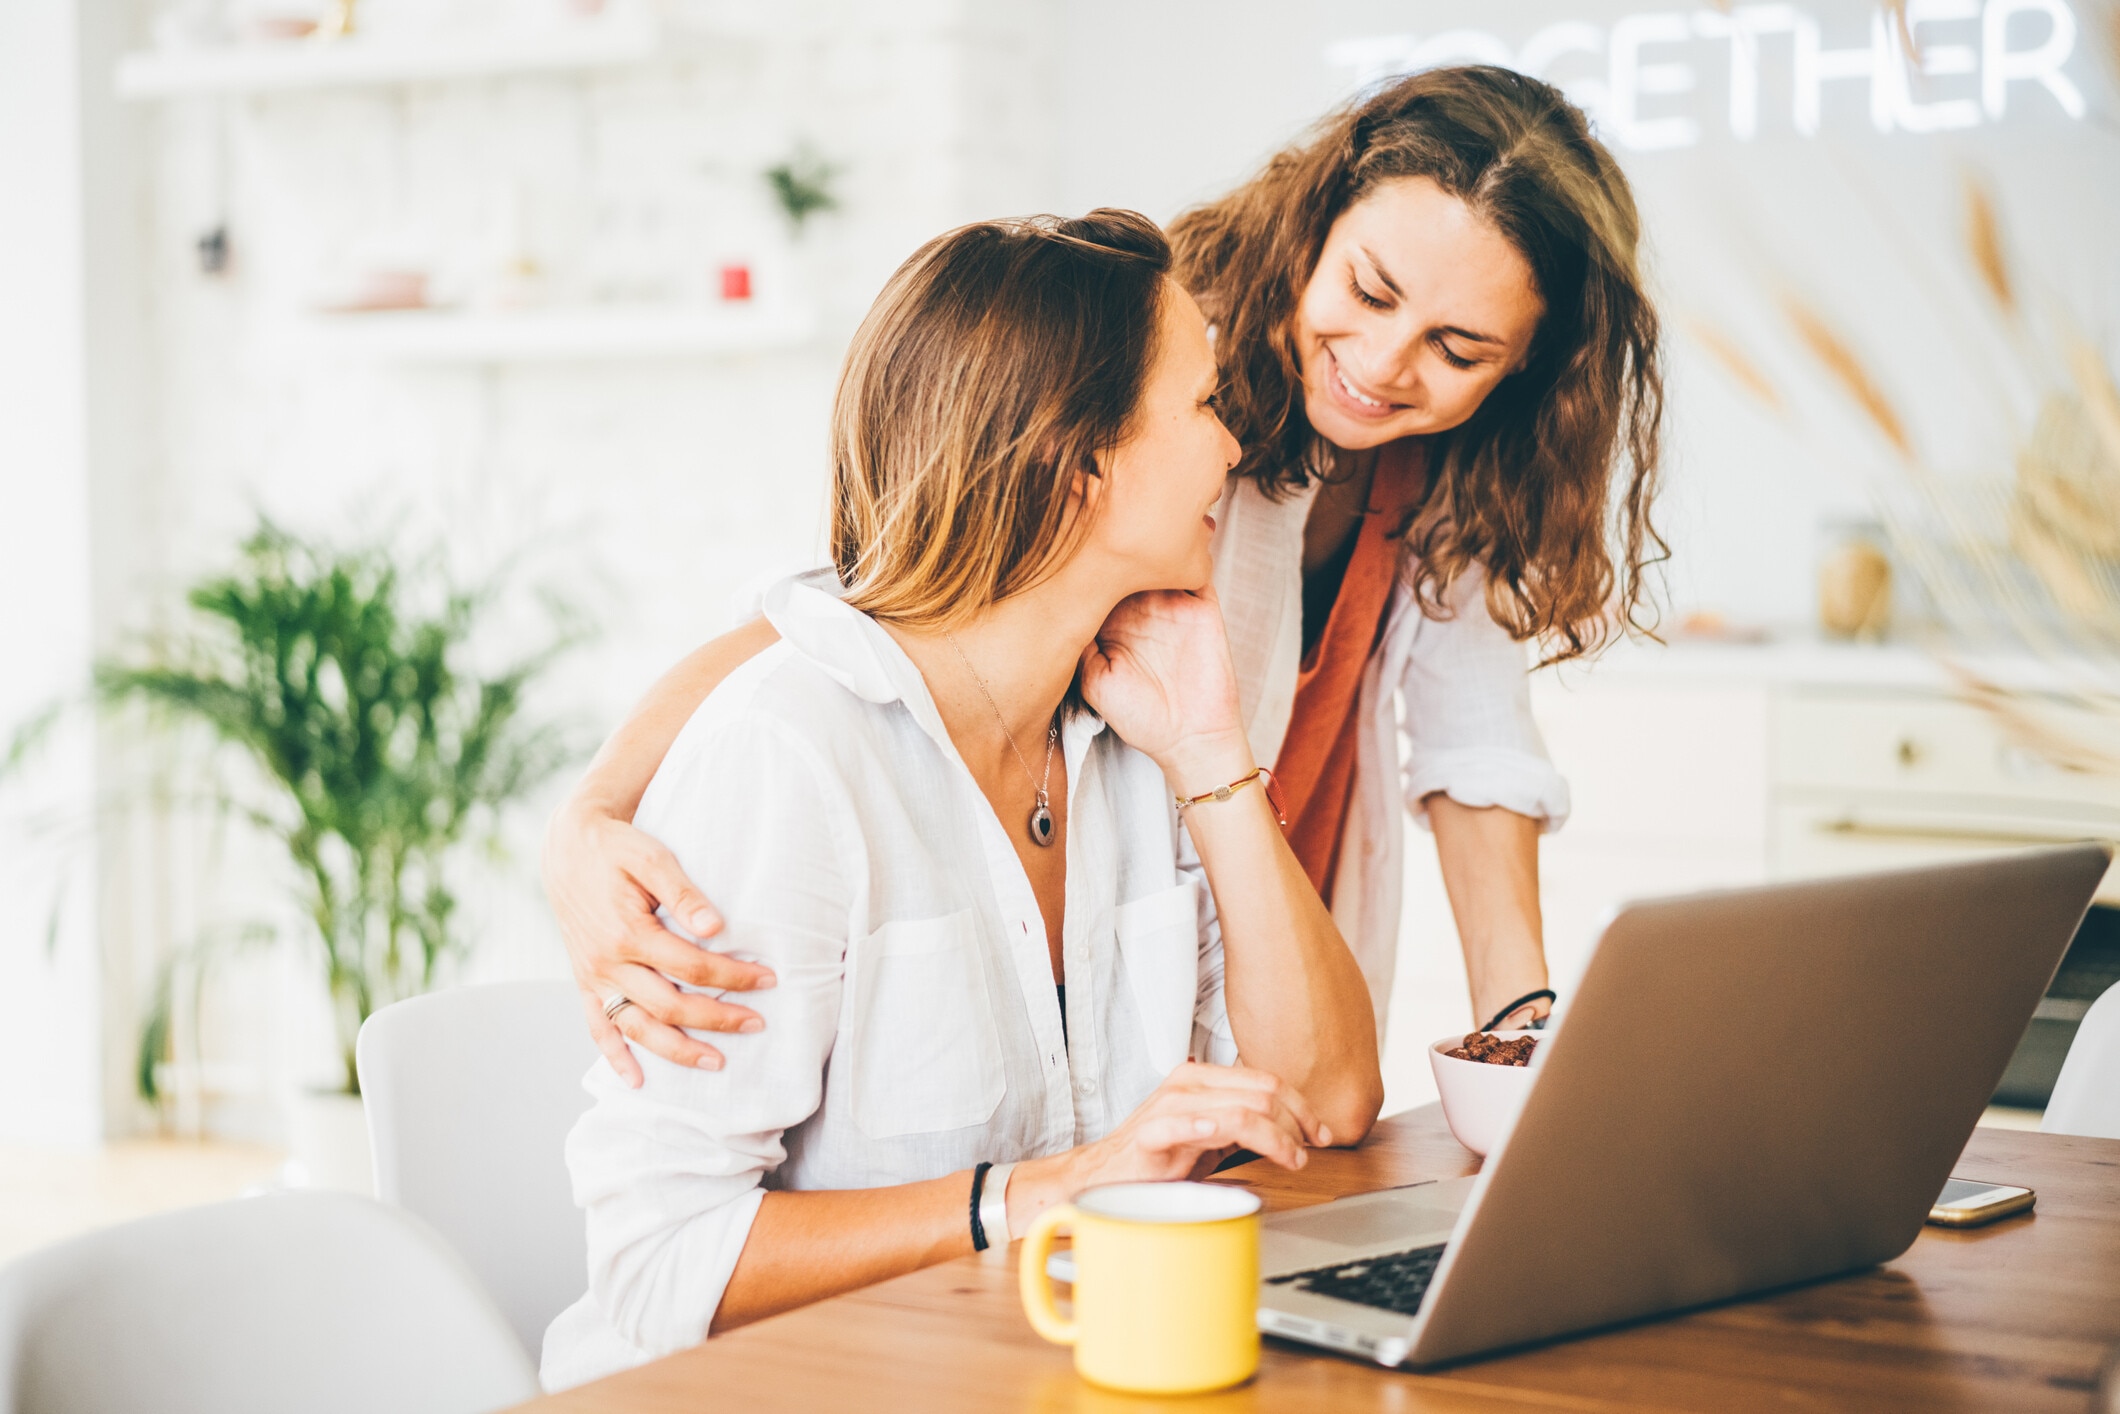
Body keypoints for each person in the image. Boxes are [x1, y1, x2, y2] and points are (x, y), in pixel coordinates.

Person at [545, 65, 1664, 1083]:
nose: (1382, 364)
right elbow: (869, 610)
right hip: (1126, 977)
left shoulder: (1453, 471)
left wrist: (1524, 1059)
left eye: (1457, 348)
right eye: (1369, 294)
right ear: (1314, 223)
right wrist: (590, 815)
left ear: (1528, 370)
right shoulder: (1164, 386)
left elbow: (1479, 756)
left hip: (1281, 956)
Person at [539, 211, 1383, 1386]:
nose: (1231, 450)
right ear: (1075, 463)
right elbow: (660, 1256)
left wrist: (1212, 757)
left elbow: (1330, 1098)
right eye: (1201, 406)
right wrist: (1041, 1195)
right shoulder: (789, 759)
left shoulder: (1134, 733)